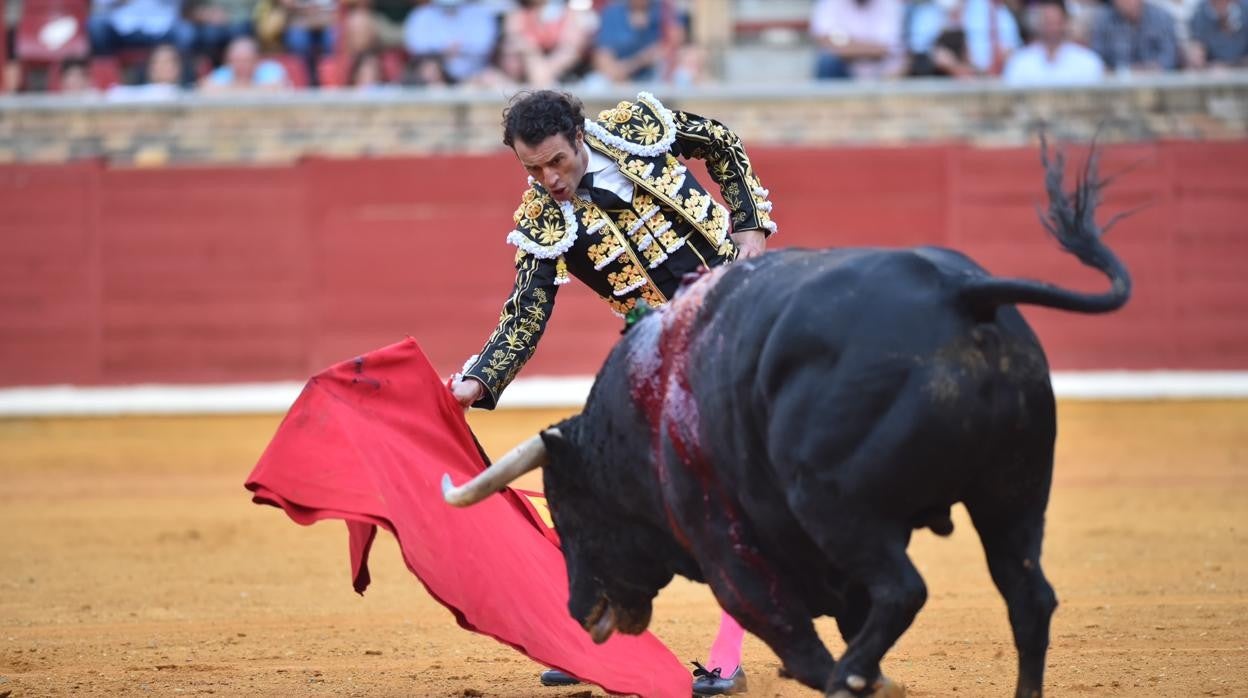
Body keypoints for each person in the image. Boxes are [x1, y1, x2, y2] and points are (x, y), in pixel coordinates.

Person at [448, 89, 778, 696]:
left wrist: (751, 223)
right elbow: (528, 309)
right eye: (531, 169)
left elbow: (722, 144)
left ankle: (728, 654)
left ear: (579, 135)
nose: (548, 179)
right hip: (662, 351)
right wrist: (478, 379)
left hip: (743, 320)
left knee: (728, 488)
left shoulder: (639, 127)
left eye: (556, 161)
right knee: (595, 484)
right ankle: (595, 640)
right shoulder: (541, 219)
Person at [1003, 0, 1106, 85]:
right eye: (1047, 22)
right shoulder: (1020, 62)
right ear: (1038, 22)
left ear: (1066, 23)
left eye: (1056, 22)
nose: (1052, 28)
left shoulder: (1088, 62)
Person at [810, 0, 907, 79]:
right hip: (845, 72)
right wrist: (870, 47)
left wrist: (845, 44)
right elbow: (825, 40)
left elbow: (885, 48)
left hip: (883, 73)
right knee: (828, 62)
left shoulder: (890, 4)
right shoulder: (831, 3)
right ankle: (828, 101)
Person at [1090, 0, 1181, 72]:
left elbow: (1170, 58)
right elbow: (1096, 61)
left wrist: (1145, 71)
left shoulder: (1162, 18)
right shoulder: (1104, 20)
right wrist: (1120, 72)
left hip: (1157, 85)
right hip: (1116, 87)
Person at [200, 34, 292, 90]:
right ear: (228, 61)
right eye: (236, 61)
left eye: (246, 60)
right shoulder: (224, 73)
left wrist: (231, 90)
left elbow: (276, 89)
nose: (241, 65)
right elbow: (206, 89)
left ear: (256, 60)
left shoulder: (271, 69)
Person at [1186, 0, 1248, 69]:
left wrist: (1229, 66)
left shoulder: (1245, 10)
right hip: (1213, 72)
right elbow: (1197, 50)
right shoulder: (1201, 12)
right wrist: (1198, 59)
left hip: (1242, 70)